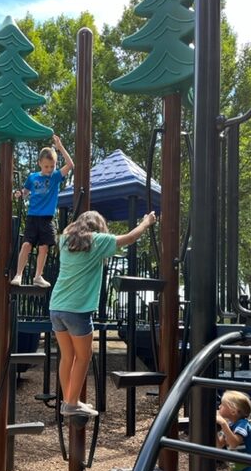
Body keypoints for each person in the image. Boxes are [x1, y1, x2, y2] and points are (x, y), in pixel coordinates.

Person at [49, 209, 156, 418]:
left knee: (67, 356)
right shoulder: (97, 241)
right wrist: (146, 222)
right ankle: (72, 403)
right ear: (98, 227)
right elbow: (130, 238)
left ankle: (68, 400)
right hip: (77, 310)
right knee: (83, 356)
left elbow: (68, 229)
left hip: (56, 307)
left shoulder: (64, 240)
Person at [11, 135, 74, 288]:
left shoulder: (55, 177)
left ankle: (38, 276)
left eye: (52, 166)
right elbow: (25, 192)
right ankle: (18, 274)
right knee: (26, 244)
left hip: (47, 218)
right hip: (33, 216)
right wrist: (19, 194)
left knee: (44, 247)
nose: (49, 169)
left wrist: (60, 147)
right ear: (40, 163)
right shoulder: (32, 177)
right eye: (46, 166)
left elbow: (70, 164)